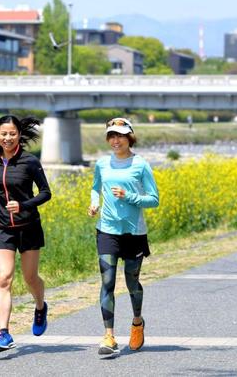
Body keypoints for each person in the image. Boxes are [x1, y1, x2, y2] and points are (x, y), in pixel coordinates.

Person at [0, 115, 52, 353]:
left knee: (30, 278)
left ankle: (40, 307)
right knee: (4, 278)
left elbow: (45, 193)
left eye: (12, 134)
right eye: (4, 134)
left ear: (19, 135)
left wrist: (24, 205)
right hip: (2, 228)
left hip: (28, 226)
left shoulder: (30, 162)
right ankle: (4, 332)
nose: (8, 138)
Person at [88, 117, 159, 356]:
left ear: (129, 137)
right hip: (107, 230)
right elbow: (96, 187)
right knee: (107, 281)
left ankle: (137, 322)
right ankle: (108, 336)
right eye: (111, 136)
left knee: (131, 282)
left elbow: (154, 199)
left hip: (134, 233)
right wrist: (94, 204)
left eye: (119, 135)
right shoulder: (102, 164)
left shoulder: (140, 165)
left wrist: (130, 196)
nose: (115, 140)